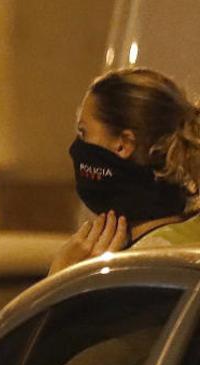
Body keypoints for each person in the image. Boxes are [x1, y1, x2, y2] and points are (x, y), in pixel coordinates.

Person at [50, 67, 200, 273]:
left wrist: (62, 277)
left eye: (84, 133)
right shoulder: (191, 236)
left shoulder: (133, 271)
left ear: (123, 144)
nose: (76, 148)